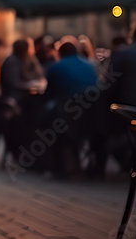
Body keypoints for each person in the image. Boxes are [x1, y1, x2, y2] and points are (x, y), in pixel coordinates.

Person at [43, 42, 101, 176]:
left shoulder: (56, 67)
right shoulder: (92, 65)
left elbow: (49, 93)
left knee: (47, 119)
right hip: (93, 115)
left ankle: (57, 167)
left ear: (60, 53)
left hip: (68, 115)